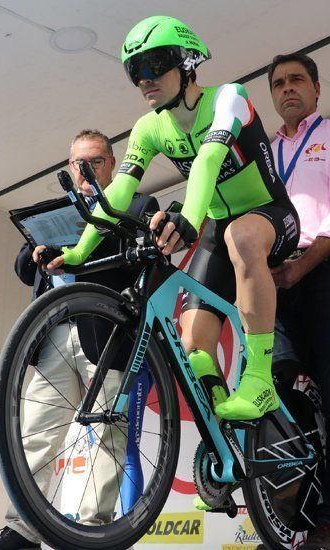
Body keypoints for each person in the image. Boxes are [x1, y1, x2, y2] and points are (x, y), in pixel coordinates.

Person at [52, 16, 299, 424]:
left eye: (155, 64)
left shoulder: (227, 98)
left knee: (241, 234)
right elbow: (118, 191)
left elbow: (207, 160)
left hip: (270, 215)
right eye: (135, 70)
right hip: (219, 229)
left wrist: (186, 215)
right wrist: (79, 251)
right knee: (194, 348)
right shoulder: (149, 127)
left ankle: (260, 382)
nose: (144, 79)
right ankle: (228, 451)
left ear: (187, 64)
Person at [0, 130, 158, 550]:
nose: (85, 169)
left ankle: (95, 531)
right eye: (77, 163)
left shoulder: (138, 204)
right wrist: (39, 252)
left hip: (108, 337)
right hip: (54, 332)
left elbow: (141, 255)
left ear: (112, 164)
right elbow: (23, 266)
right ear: (69, 168)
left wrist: (81, 238)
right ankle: (22, 530)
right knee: (35, 433)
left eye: (94, 160)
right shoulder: (55, 210)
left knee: (109, 438)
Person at [267, 53, 330, 550]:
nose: (288, 89)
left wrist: (300, 269)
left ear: (316, 88)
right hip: (277, 285)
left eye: (297, 80)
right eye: (279, 83)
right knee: (283, 399)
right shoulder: (265, 153)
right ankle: (292, 520)